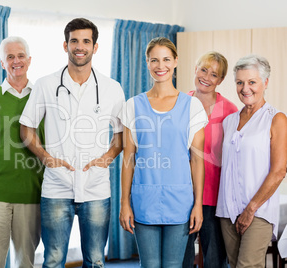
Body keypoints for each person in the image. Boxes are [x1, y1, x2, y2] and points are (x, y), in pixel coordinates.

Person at [19, 18, 125, 268]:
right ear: (65, 45)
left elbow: (121, 134)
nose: (80, 46)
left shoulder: (112, 88)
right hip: (57, 186)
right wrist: (46, 158)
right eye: (74, 41)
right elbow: (26, 128)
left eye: (86, 41)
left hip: (96, 187)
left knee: (96, 260)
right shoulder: (46, 84)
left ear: (95, 47)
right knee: (54, 259)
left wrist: (107, 157)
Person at [119, 37, 208, 267]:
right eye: (155, 60)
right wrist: (125, 203)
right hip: (144, 200)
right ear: (147, 63)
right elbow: (128, 160)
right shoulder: (132, 106)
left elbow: (197, 162)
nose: (161, 66)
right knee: (148, 265)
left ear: (176, 61)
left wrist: (198, 204)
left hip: (180, 202)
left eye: (167, 59)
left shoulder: (192, 106)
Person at [0, 36, 44, 268]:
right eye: (10, 57)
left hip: (31, 195)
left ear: (29, 60)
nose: (16, 61)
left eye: (21, 55)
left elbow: (48, 149)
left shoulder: (42, 99)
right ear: (2, 63)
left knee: (26, 262)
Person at [216, 54, 287, 268]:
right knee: (233, 263)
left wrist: (251, 209)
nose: (245, 88)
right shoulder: (229, 121)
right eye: (240, 82)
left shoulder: (276, 119)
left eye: (252, 82)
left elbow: (279, 170)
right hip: (227, 210)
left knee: (247, 265)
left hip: (258, 210)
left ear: (265, 83)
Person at [182, 52, 238, 267]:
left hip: (215, 197)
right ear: (195, 69)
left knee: (215, 259)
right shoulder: (180, 104)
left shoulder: (230, 111)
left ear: (221, 80)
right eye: (203, 69)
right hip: (183, 194)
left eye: (214, 74)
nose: (206, 77)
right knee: (182, 259)